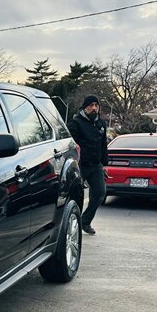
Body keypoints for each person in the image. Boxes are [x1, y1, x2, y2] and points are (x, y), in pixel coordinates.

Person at [67, 95, 108, 235]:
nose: (94, 108)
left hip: (96, 165)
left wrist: (104, 164)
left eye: (96, 105)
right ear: (84, 107)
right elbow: (70, 145)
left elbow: (103, 145)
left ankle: (85, 221)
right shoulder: (75, 123)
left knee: (100, 193)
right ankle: (70, 223)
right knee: (75, 196)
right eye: (90, 105)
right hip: (80, 165)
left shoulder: (101, 124)